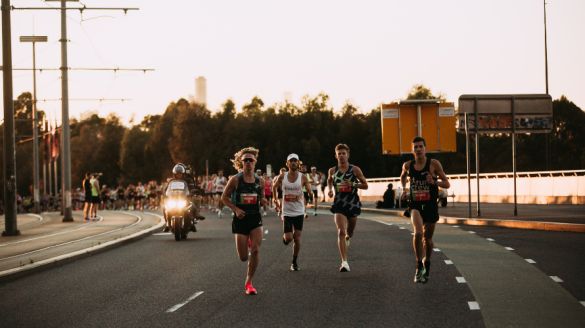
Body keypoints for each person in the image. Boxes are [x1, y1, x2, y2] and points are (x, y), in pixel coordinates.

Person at [400, 136, 450, 283]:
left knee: (427, 239)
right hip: (415, 204)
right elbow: (403, 177)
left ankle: (426, 262)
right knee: (418, 232)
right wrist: (404, 189)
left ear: (425, 148)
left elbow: (447, 184)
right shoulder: (407, 165)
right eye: (415, 147)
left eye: (421, 146)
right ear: (412, 150)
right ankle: (418, 266)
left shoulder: (434, 164)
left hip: (430, 205)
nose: (418, 149)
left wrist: (434, 181)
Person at [222, 147, 267, 295]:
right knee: (243, 257)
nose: (248, 162)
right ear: (241, 163)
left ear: (255, 162)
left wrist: (264, 200)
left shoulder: (260, 181)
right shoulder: (235, 180)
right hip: (240, 219)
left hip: (255, 218)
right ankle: (247, 241)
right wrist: (235, 209)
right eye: (245, 160)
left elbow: (261, 198)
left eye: (251, 160)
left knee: (255, 250)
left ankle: (249, 282)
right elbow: (224, 198)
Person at [327, 143, 368, 272]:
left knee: (349, 232)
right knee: (341, 231)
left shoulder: (355, 169)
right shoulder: (332, 170)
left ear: (348, 155)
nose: (341, 156)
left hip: (352, 204)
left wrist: (353, 184)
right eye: (339, 154)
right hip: (339, 204)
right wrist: (330, 190)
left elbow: (365, 185)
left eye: (343, 153)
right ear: (336, 156)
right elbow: (329, 180)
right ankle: (344, 262)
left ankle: (348, 237)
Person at [272, 153, 313, 271]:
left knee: (297, 238)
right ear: (287, 163)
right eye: (291, 161)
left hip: (299, 211)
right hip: (287, 212)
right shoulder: (282, 176)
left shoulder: (303, 177)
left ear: (298, 163)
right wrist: (275, 200)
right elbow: (274, 187)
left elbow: (309, 191)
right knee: (289, 238)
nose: (294, 162)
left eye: (296, 161)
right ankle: (285, 238)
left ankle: (294, 262)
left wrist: (309, 195)